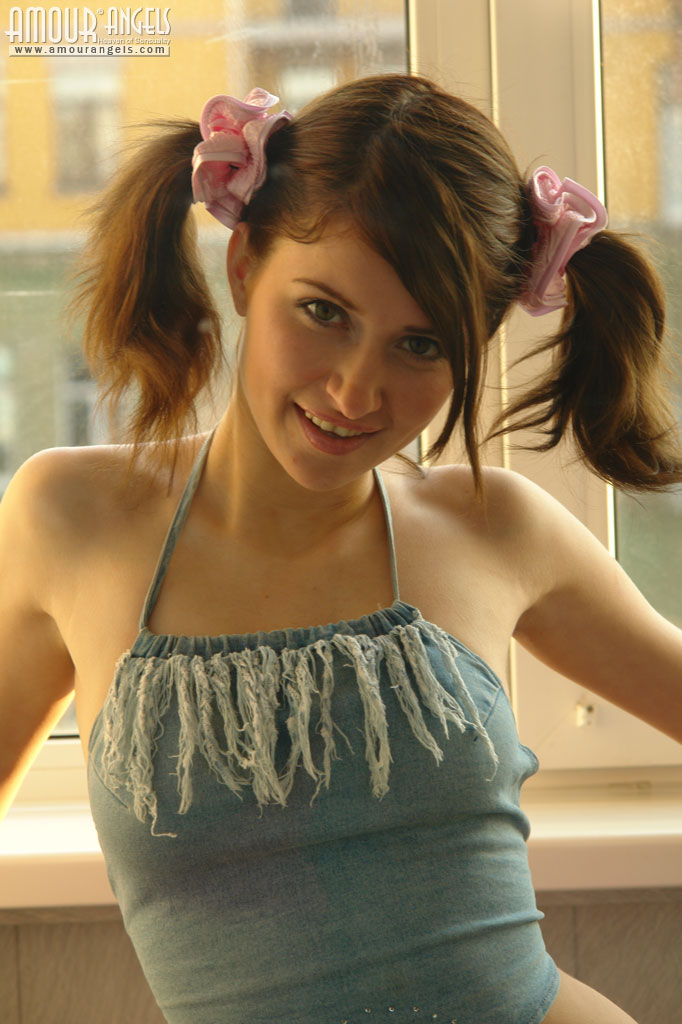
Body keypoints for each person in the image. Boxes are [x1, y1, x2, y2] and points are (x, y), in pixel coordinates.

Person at [1, 73, 681, 1024]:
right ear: (245, 267)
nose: (357, 393)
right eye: (323, 313)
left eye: (422, 346)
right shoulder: (69, 518)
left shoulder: (495, 526)